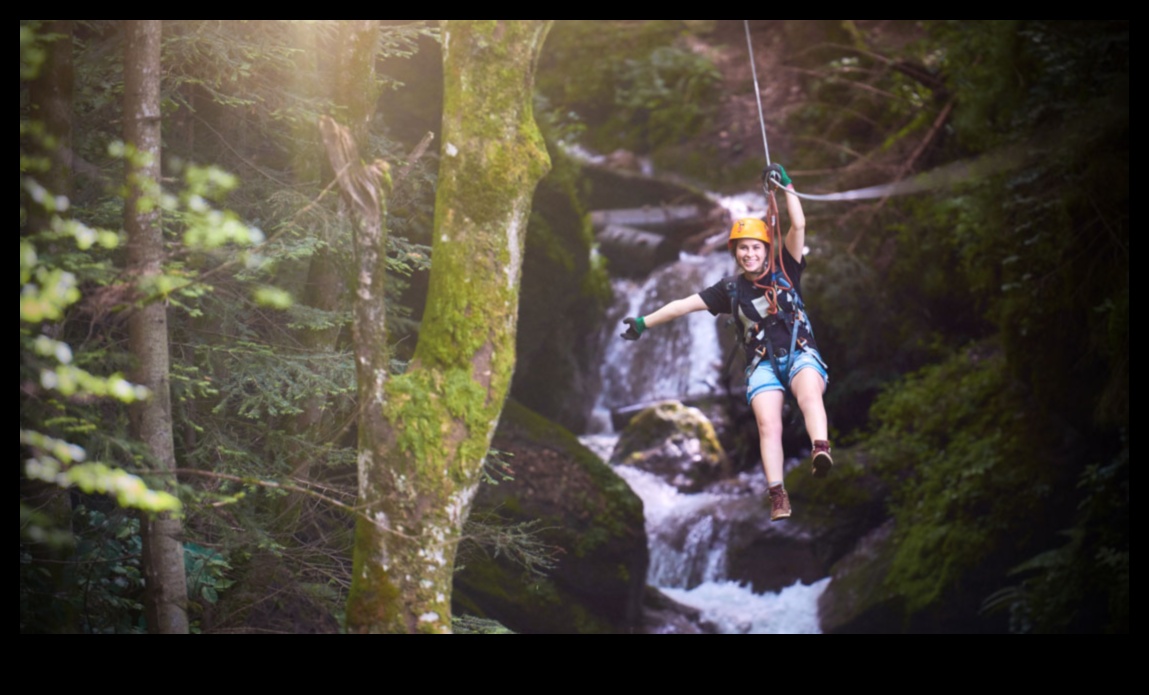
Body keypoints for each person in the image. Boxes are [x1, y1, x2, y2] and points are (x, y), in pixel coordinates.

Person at [619, 163, 831, 521]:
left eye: (754, 247)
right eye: (742, 249)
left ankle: (820, 448)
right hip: (762, 364)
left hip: (799, 353)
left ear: (765, 248)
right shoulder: (729, 290)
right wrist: (644, 321)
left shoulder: (787, 269)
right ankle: (777, 494)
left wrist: (788, 186)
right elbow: (683, 305)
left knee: (809, 394)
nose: (749, 254)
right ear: (735, 253)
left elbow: (800, 225)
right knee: (768, 424)